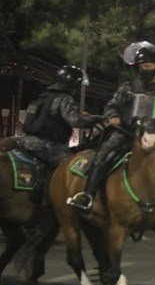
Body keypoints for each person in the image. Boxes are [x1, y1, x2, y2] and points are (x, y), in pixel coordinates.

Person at [67, 41, 155, 210]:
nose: (145, 69)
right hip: (124, 133)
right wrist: (113, 116)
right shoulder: (128, 88)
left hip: (151, 136)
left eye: (149, 65)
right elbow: (111, 106)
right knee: (103, 155)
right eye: (142, 66)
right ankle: (87, 195)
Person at [18, 66, 100, 196]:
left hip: (25, 142)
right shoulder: (65, 99)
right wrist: (97, 119)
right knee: (74, 170)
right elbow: (76, 121)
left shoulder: (42, 98)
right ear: (74, 85)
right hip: (48, 146)